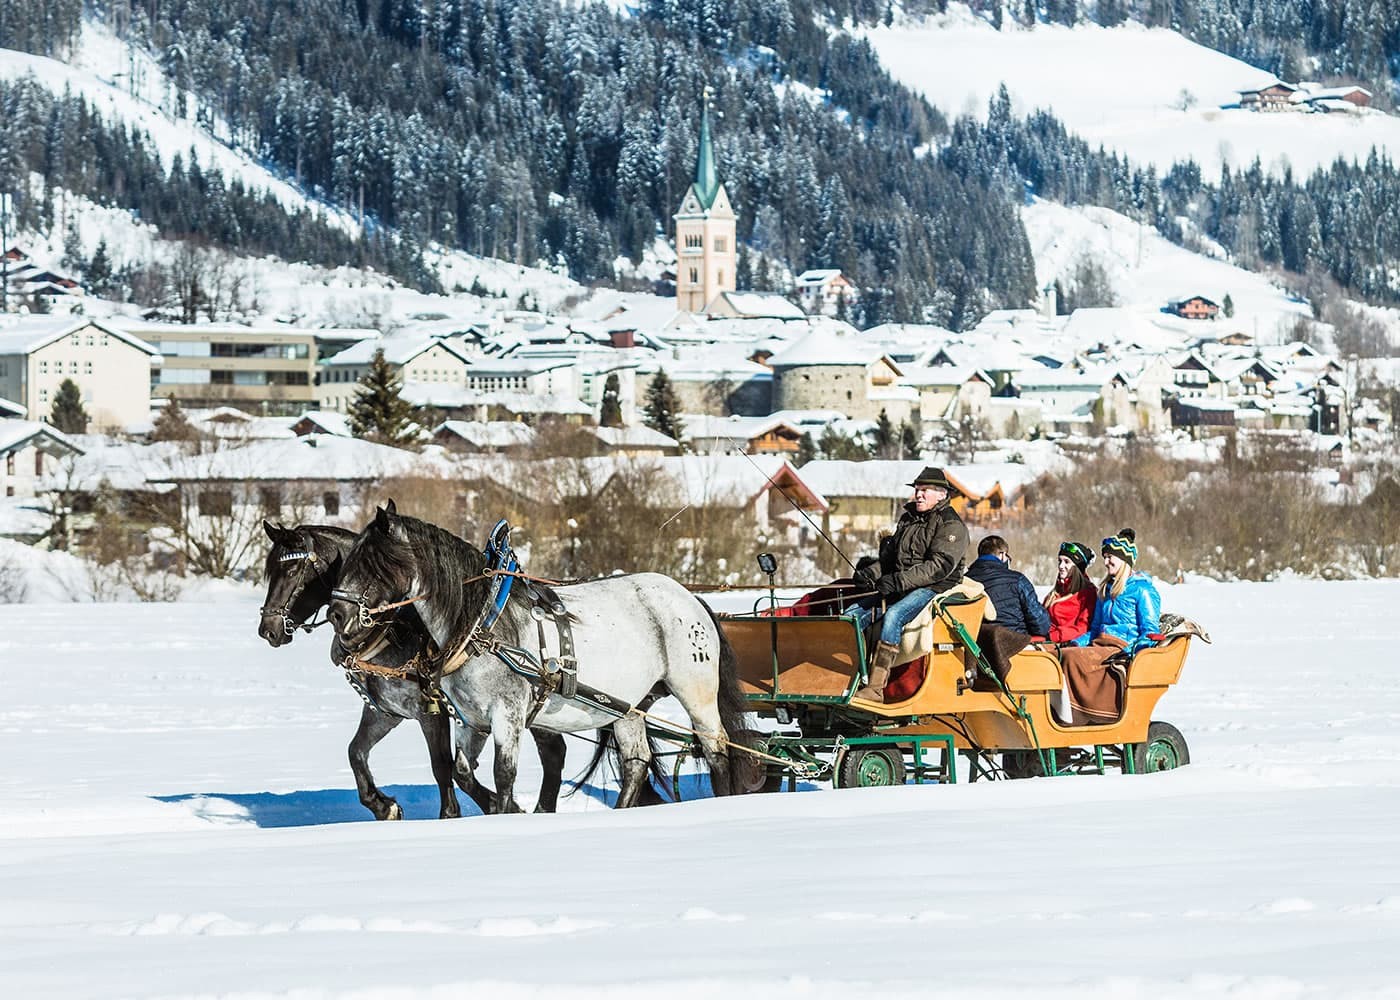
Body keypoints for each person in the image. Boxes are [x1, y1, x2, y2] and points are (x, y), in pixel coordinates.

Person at [850, 466, 969, 702]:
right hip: (901, 584)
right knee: (851, 615)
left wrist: (897, 581)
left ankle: (875, 688)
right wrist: (870, 574)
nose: (919, 494)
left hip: (933, 587)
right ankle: (848, 678)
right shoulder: (908, 519)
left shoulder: (951, 525)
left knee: (893, 616)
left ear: (941, 494)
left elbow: (938, 567)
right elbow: (890, 560)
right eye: (917, 489)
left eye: (925, 490)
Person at [1057, 528, 1161, 725]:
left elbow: (1149, 630)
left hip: (1122, 646)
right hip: (1101, 643)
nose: (1106, 562)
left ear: (1124, 559)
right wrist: (1076, 642)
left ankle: (1075, 715)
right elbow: (1096, 628)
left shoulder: (1143, 590)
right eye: (1105, 557)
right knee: (1062, 654)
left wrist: (1132, 650)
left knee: (1071, 658)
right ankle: (1059, 711)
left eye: (1110, 557)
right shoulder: (1105, 589)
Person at [965, 535, 1052, 639]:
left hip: (977, 643)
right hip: (1015, 642)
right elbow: (1041, 625)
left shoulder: (966, 580)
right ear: (1002, 555)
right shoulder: (1017, 580)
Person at [1043, 540, 1098, 644]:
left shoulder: (1088, 593)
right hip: (1044, 639)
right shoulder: (1056, 592)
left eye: (1066, 562)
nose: (1061, 566)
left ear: (1077, 567)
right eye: (1060, 561)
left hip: (1064, 643)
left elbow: (1082, 629)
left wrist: (1051, 636)